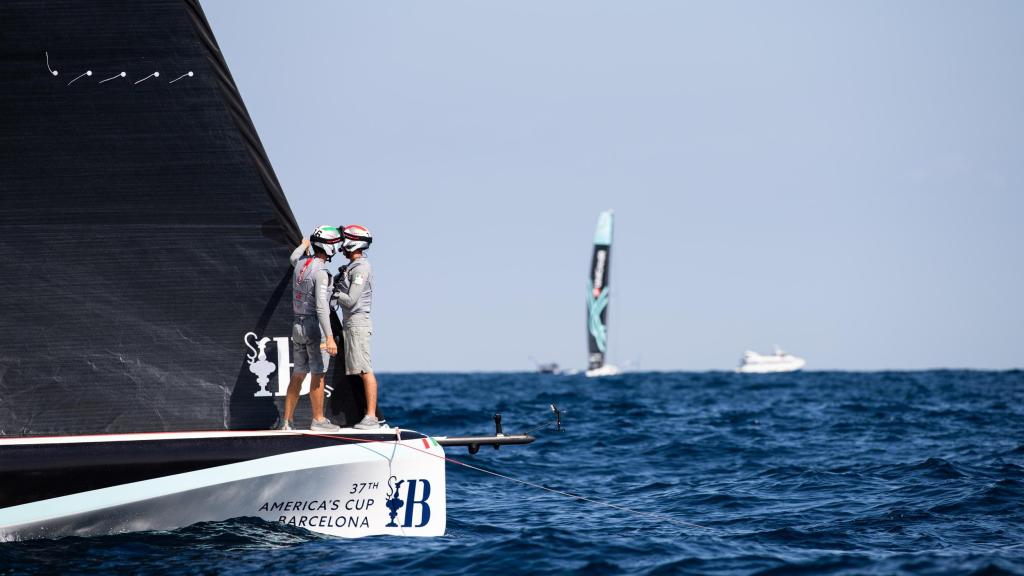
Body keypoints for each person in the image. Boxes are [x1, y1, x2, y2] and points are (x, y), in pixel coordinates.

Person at [278, 225, 343, 432]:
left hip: (297, 325)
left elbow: (293, 257)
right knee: (318, 373)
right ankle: (318, 420)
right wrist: (330, 338)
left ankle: (286, 422)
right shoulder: (322, 272)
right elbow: (322, 307)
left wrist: (303, 245)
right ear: (328, 247)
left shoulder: (301, 263)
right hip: (315, 327)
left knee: (298, 374)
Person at [332, 224, 384, 429]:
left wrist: (331, 293)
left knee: (364, 370)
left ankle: (371, 417)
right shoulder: (352, 267)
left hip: (357, 324)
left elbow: (352, 300)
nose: (341, 246)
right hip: (349, 324)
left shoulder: (361, 268)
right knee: (356, 370)